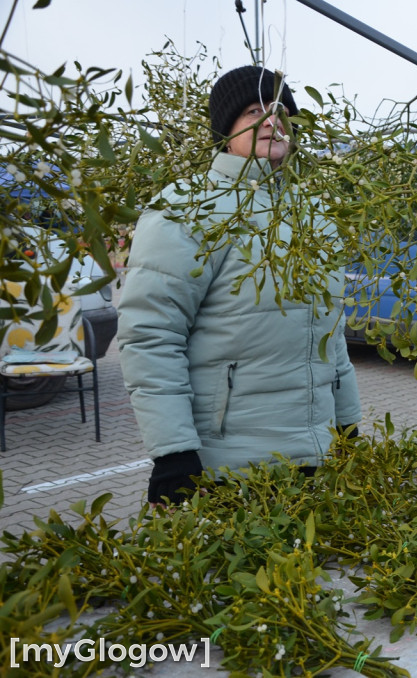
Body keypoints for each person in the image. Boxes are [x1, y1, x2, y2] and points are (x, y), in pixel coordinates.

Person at [118, 65, 361, 505]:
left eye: (281, 110)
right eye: (254, 111)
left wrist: (347, 422)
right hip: (229, 464)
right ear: (225, 132)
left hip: (315, 456)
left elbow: (330, 333)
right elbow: (151, 336)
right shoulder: (187, 210)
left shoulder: (312, 213)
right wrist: (174, 452)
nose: (271, 120)